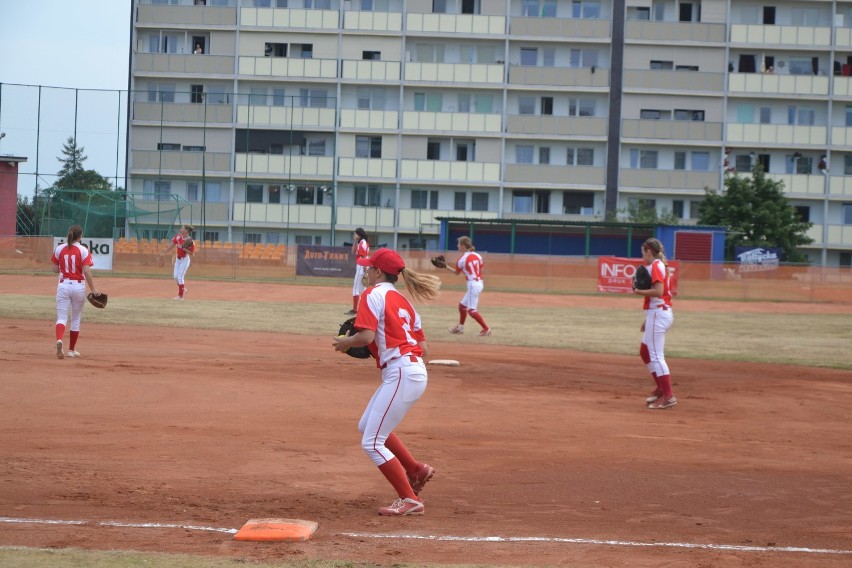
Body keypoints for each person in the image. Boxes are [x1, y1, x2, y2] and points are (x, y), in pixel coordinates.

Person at [332, 248, 442, 516]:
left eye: (369, 268)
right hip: (412, 371)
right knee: (366, 426)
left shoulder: (373, 294)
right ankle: (415, 470)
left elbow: (366, 337)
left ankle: (409, 500)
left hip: (402, 373)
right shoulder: (405, 302)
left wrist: (346, 343)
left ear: (378, 272)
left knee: (371, 442)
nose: (367, 272)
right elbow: (423, 349)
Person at [633, 237, 676, 409]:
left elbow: (658, 292)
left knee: (657, 355)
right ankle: (660, 388)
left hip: (659, 314)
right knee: (645, 351)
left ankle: (668, 395)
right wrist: (648, 319)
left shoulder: (657, 265)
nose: (642, 256)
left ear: (648, 251)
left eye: (643, 252)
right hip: (656, 314)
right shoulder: (657, 265)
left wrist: (638, 291)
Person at [50, 225, 101, 359]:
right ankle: (71, 350)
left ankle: (59, 339)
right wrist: (93, 289)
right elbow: (87, 271)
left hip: (63, 285)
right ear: (80, 236)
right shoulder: (83, 250)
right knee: (76, 318)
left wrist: (63, 267)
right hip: (78, 287)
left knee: (61, 317)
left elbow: (55, 269)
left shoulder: (60, 248)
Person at [445, 236, 491, 336]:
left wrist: (446, 267)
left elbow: (457, 273)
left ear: (463, 245)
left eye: (458, 244)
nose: (457, 246)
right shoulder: (478, 256)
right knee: (462, 306)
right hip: (479, 282)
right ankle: (460, 328)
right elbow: (480, 269)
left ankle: (486, 329)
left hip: (472, 284)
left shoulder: (462, 259)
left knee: (471, 310)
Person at [157, 224, 196, 300]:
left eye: (182, 228)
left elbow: (191, 253)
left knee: (180, 277)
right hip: (178, 260)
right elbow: (172, 245)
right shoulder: (178, 237)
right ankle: (183, 289)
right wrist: (164, 252)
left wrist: (185, 249)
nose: (180, 229)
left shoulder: (190, 241)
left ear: (186, 231)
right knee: (175, 277)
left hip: (184, 260)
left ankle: (180, 296)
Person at [346, 227, 369, 315]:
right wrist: (355, 241)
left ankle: (355, 309)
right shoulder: (360, 242)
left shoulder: (363, 243)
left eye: (355, 233)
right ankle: (365, 309)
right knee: (362, 289)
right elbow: (352, 251)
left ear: (359, 234)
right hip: (361, 266)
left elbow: (364, 257)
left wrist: (365, 271)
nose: (354, 235)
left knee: (356, 288)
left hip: (361, 266)